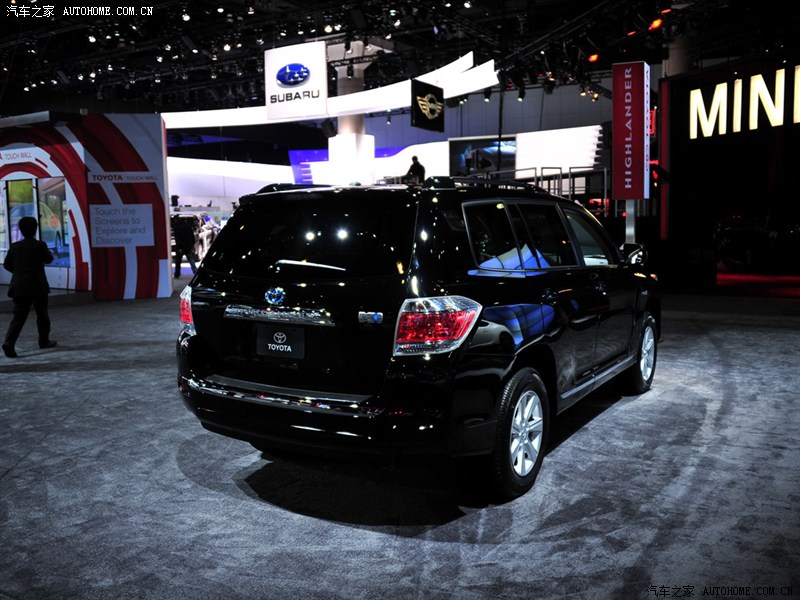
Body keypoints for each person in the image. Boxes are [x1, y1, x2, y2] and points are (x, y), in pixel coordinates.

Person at [2, 216, 57, 358]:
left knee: (18, 317)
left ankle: (9, 342)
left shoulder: (15, 246)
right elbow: (49, 259)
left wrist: (19, 273)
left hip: (19, 287)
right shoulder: (40, 245)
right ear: (35, 229)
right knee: (42, 315)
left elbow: (7, 264)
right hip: (38, 286)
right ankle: (44, 341)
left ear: (21, 230)